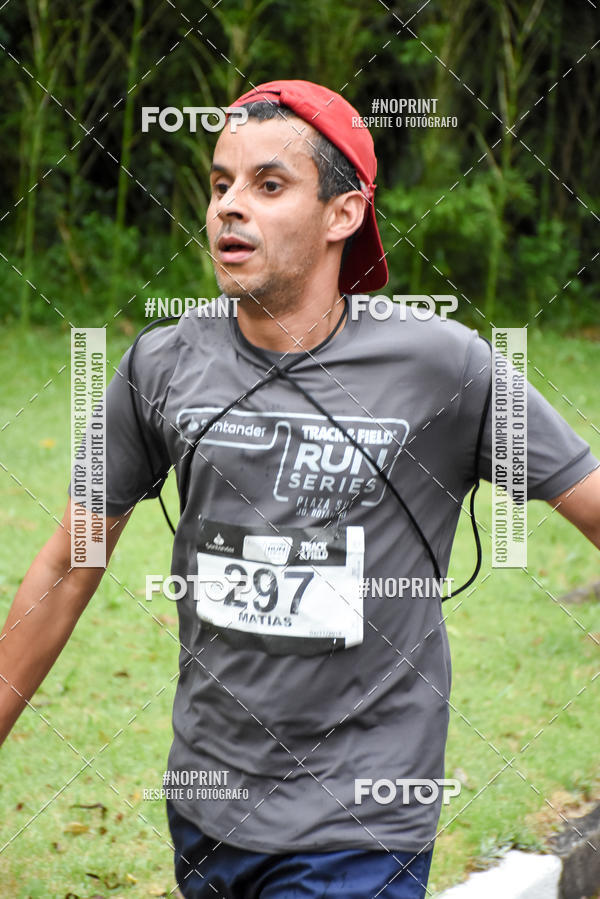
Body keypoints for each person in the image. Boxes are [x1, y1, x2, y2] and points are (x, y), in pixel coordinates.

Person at [1, 79, 599, 899]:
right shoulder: (162, 363)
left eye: (268, 185)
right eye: (220, 184)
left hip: (360, 822)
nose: (228, 208)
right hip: (208, 807)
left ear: (342, 214)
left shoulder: (443, 367)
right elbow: (69, 566)